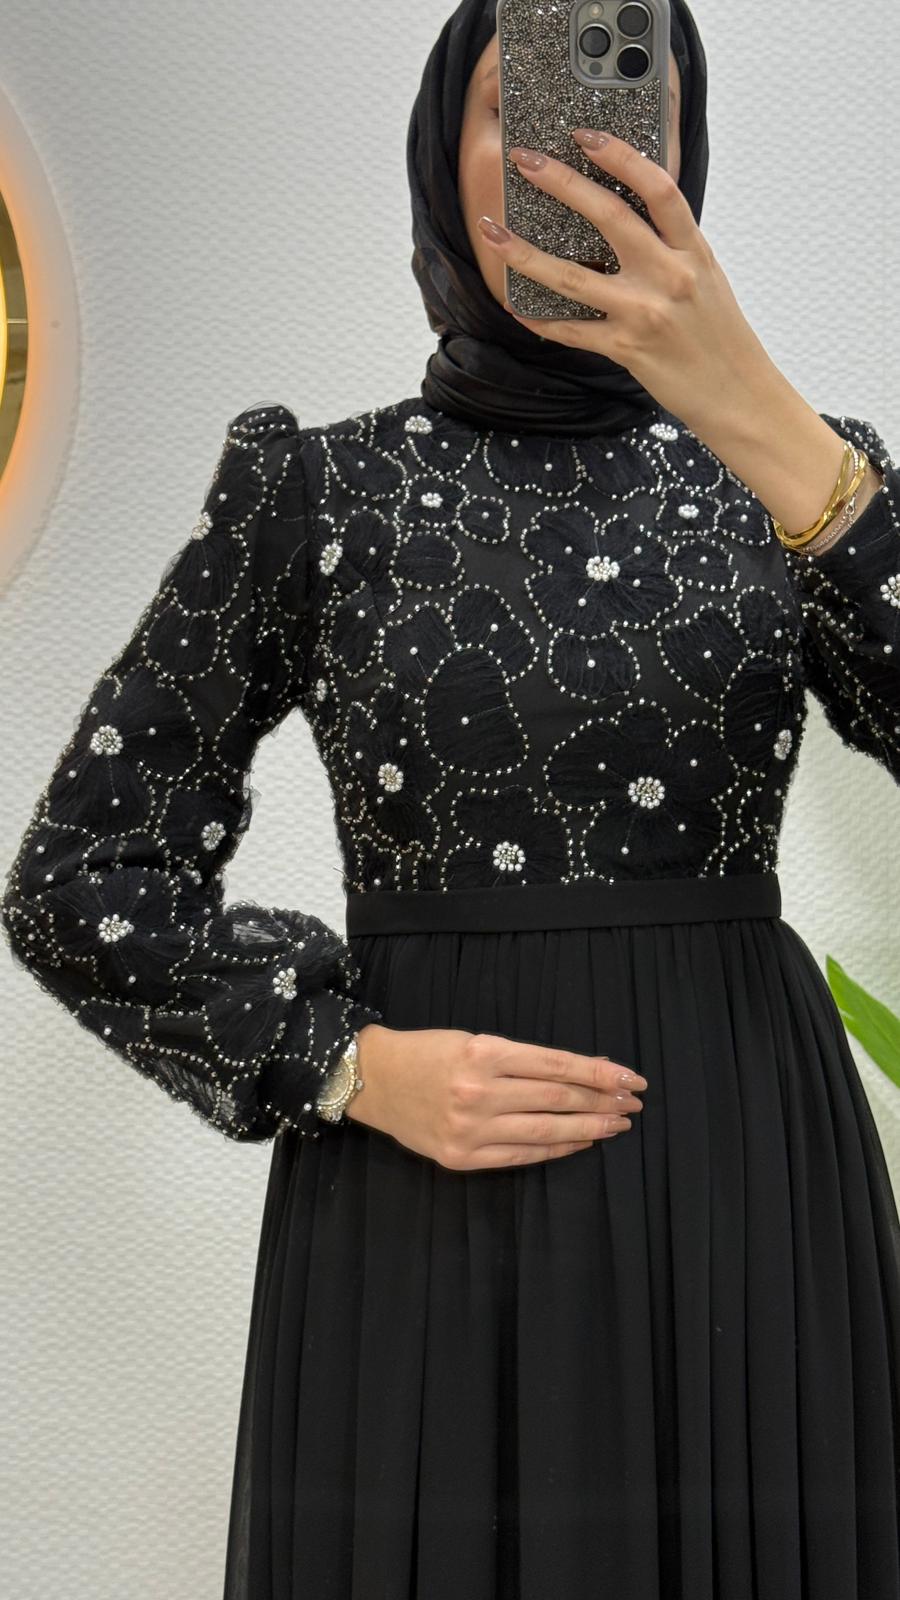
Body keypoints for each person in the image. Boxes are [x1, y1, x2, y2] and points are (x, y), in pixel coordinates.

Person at [2, 0, 899, 1593]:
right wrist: (342, 1063)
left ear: (687, 154)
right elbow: (80, 873)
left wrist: (764, 418)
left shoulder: (800, 474)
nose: (574, 149)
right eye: (516, 104)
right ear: (439, 147)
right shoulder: (315, 490)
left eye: (631, 102)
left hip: (744, 1186)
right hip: (422, 1202)